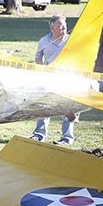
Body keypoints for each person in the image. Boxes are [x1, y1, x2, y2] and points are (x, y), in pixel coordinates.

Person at [30, 14, 79, 145]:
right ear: (52, 28)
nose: (64, 29)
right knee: (44, 106)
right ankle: (39, 135)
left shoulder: (71, 40)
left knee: (68, 108)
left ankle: (67, 138)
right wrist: (42, 71)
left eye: (65, 26)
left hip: (67, 79)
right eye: (61, 27)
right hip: (48, 79)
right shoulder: (43, 41)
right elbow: (38, 57)